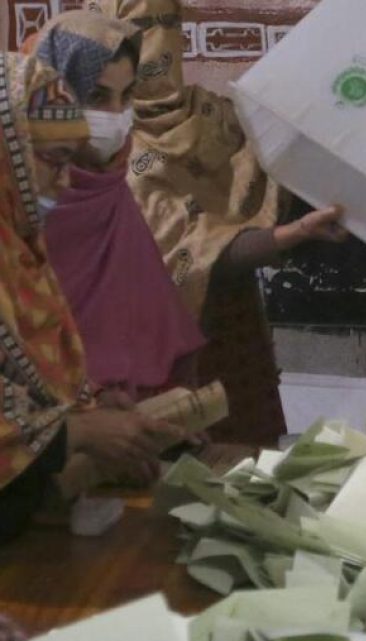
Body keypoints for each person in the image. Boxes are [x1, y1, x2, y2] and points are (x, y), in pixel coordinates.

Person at [87, 0, 346, 446]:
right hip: (141, 354)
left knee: (240, 470)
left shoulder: (215, 117)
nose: (153, 43)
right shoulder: (91, 141)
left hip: (231, 330)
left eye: (162, 25)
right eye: (138, 27)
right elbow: (176, 253)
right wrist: (287, 236)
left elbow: (274, 191)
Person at [0, 53, 180, 542]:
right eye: (54, 162)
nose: (64, 182)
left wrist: (89, 413)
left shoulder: (19, 249)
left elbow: (29, 376)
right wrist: (78, 435)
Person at [27, 10, 206, 400]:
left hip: (130, 423)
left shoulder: (112, 191)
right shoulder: (21, 197)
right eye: (95, 97)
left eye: (126, 97)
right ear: (52, 92)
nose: (115, 116)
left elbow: (148, 313)